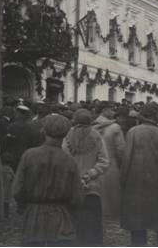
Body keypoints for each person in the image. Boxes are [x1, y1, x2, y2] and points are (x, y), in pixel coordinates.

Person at [12, 114, 82, 246]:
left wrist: (23, 208)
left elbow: (17, 190)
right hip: (61, 217)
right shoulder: (70, 161)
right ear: (65, 134)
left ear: (44, 131)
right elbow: (77, 197)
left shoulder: (29, 155)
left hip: (33, 216)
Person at [120, 103, 158, 246]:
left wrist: (123, 181)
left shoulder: (133, 132)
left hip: (136, 186)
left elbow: (126, 159)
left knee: (137, 225)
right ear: (155, 115)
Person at [63, 108, 109, 246]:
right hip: (92, 186)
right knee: (92, 222)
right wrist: (90, 175)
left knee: (73, 221)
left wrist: (77, 178)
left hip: (71, 186)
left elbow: (65, 160)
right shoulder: (97, 136)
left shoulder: (67, 137)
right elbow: (104, 161)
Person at [92, 102, 125, 220]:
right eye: (111, 110)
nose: (113, 112)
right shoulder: (115, 127)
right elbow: (121, 149)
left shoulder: (93, 125)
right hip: (111, 162)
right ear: (105, 110)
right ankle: (111, 213)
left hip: (96, 163)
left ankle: (98, 211)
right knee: (112, 190)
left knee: (99, 189)